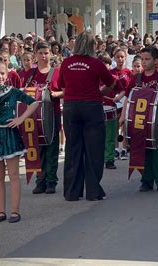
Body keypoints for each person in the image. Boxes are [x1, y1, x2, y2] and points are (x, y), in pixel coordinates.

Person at [0, 60, 38, 223]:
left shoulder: (13, 91)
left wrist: (20, 119)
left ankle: (15, 211)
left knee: (14, 175)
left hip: (9, 135)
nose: (0, 76)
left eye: (3, 73)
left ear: (7, 74)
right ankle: (1, 211)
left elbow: (34, 103)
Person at [58, 32, 116, 201]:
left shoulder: (67, 63)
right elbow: (111, 83)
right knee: (94, 150)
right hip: (92, 106)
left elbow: (62, 84)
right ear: (92, 46)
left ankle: (72, 192)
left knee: (73, 149)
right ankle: (93, 191)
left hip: (71, 107)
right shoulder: (97, 63)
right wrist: (101, 93)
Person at [120, 46, 158, 192]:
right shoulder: (136, 78)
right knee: (143, 150)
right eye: (142, 59)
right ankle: (146, 181)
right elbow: (127, 98)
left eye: (147, 59)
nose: (144, 62)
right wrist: (123, 117)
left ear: (156, 61)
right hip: (139, 122)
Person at [22, 41, 63, 194]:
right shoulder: (30, 74)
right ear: (35, 55)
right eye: (41, 53)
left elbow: (66, 91)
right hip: (33, 118)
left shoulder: (57, 72)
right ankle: (40, 181)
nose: (44, 56)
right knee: (37, 150)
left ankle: (51, 181)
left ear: (51, 54)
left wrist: (56, 94)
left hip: (51, 115)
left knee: (51, 149)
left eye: (46, 53)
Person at [109, 48, 131, 162]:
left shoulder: (128, 72)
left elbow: (129, 89)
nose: (120, 59)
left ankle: (124, 149)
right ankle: (116, 149)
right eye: (118, 57)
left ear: (125, 57)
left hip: (125, 102)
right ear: (114, 58)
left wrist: (122, 96)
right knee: (115, 126)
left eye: (122, 57)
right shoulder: (111, 72)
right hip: (114, 102)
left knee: (125, 126)